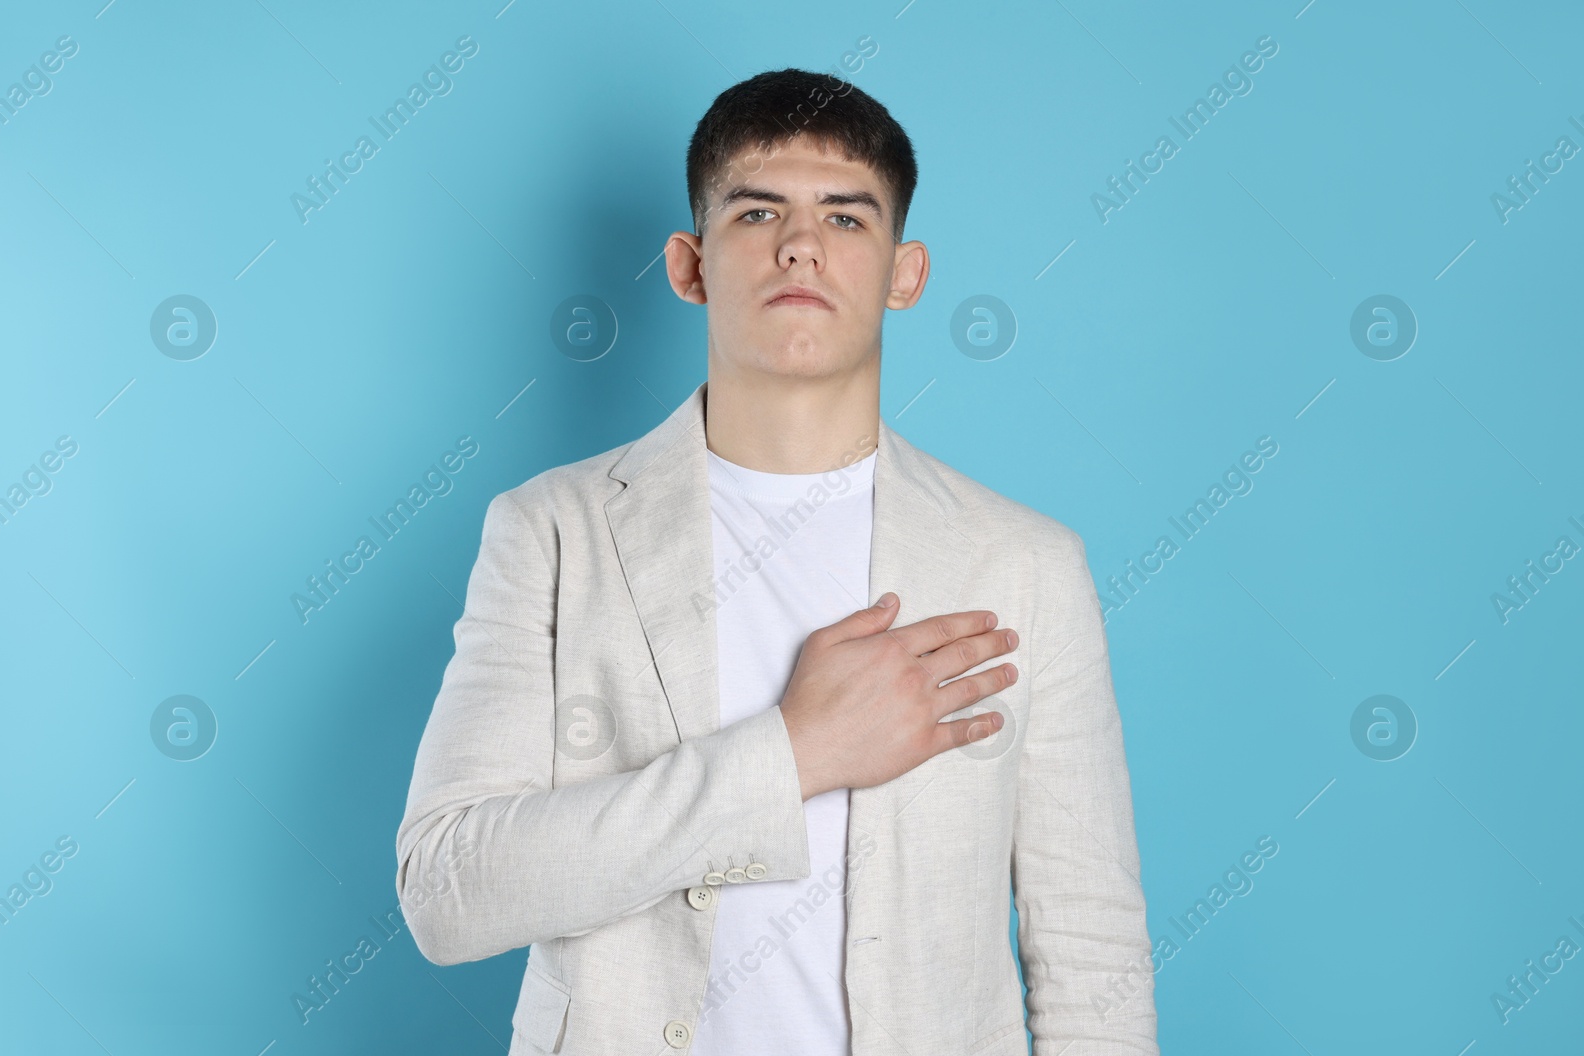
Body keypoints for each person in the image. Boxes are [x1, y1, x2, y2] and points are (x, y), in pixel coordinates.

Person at [395, 67, 1158, 1055]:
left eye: (847, 219)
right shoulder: (550, 532)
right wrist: (793, 753)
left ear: (905, 273)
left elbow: (1089, 950)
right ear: (690, 262)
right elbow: (447, 890)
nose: (800, 243)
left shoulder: (1024, 564)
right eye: (758, 211)